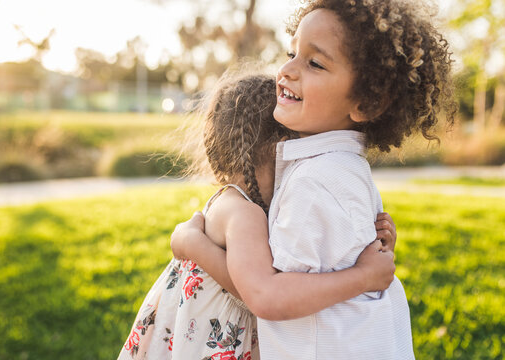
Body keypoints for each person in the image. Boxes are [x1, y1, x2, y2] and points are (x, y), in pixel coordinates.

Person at [171, 0, 456, 359]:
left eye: (314, 62)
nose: (286, 70)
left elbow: (267, 295)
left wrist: (193, 245)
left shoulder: (315, 180)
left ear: (367, 103)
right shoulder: (342, 167)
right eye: (291, 52)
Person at [117, 72, 398, 360]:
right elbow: (257, 293)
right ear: (279, 147)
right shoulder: (244, 213)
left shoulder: (237, 202)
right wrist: (363, 276)